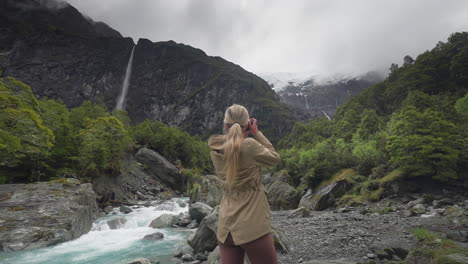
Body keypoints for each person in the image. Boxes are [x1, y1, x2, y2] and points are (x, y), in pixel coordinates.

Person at [208, 104, 281, 264]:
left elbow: (235, 149)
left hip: (226, 226)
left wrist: (241, 136)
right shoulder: (249, 145)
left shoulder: (215, 150)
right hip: (252, 223)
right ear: (247, 124)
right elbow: (274, 158)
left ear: (225, 125)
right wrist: (256, 133)